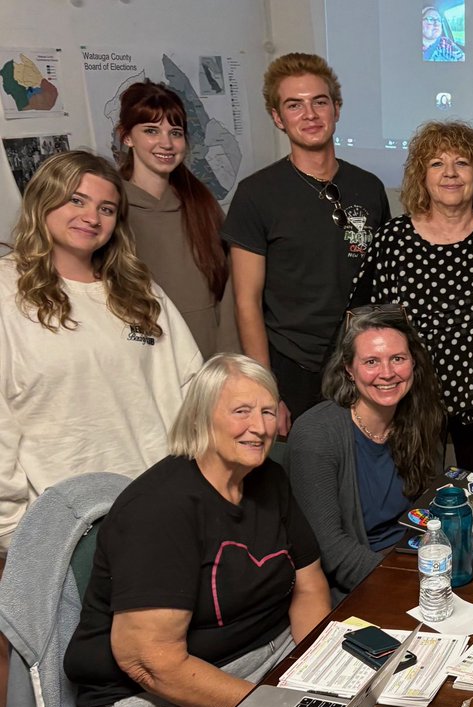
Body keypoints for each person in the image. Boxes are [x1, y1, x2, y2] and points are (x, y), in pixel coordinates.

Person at [63, 353, 331, 707]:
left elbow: (309, 584)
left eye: (267, 411)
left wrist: (317, 669)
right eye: (241, 411)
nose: (260, 426)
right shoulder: (160, 509)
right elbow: (153, 663)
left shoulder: (270, 479)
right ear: (202, 418)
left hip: (261, 659)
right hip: (148, 699)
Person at [0, 150, 201, 554]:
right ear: (43, 200)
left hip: (158, 505)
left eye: (106, 208)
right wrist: (13, 530)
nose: (91, 217)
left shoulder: (139, 292)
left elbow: (192, 386)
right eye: (77, 200)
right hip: (63, 528)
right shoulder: (7, 291)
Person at [223, 52, 390, 434]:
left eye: (319, 101)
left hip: (360, 362)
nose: (309, 114)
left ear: (336, 108)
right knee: (301, 480)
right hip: (292, 365)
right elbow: (246, 301)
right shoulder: (256, 194)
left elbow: (380, 285)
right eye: (294, 105)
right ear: (278, 117)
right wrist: (265, 391)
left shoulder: (368, 187)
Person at [350, 120, 473, 474]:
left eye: (462, 162)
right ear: (421, 176)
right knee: (415, 503)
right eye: (437, 163)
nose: (450, 173)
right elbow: (362, 321)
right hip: (411, 400)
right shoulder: (393, 239)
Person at [289, 307, 444, 600]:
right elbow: (331, 551)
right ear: (349, 368)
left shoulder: (422, 416)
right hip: (358, 584)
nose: (387, 373)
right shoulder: (316, 435)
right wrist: (413, 584)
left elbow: (429, 509)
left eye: (397, 358)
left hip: (415, 565)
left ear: (413, 362)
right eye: (371, 361)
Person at [117, 80, 239, 358]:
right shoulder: (110, 209)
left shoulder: (203, 205)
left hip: (208, 359)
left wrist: (228, 356)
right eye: (151, 130)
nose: (166, 143)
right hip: (144, 360)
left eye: (175, 132)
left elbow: (231, 287)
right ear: (126, 137)